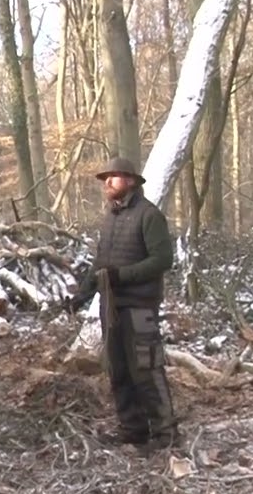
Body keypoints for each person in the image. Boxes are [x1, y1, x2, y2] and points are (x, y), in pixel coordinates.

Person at [65, 156, 178, 450]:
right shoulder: (111, 218)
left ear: (129, 180)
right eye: (105, 178)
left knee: (147, 369)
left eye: (112, 177)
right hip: (112, 307)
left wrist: (122, 276)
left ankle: (166, 434)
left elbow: (163, 260)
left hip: (140, 307)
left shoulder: (149, 216)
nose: (107, 182)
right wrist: (80, 296)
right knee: (118, 371)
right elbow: (100, 266)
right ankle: (133, 430)